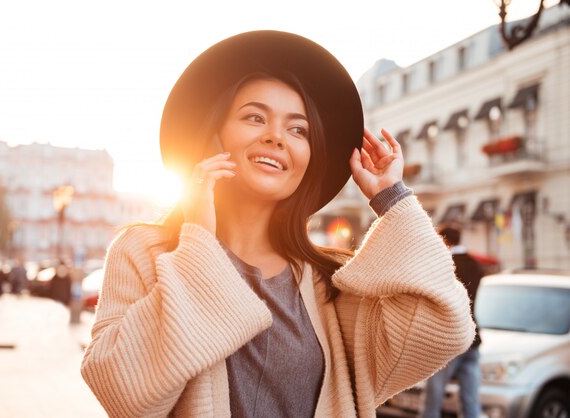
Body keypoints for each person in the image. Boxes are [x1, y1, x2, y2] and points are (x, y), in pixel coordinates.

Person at [81, 30, 475, 418]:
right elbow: (123, 394)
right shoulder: (144, 252)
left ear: (309, 156)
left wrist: (391, 198)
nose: (275, 137)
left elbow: (445, 325)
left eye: (297, 129)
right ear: (216, 137)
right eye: (255, 117)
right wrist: (199, 240)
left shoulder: (329, 283)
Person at [420, 225, 484, 418]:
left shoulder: (444, 264)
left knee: (433, 398)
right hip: (472, 338)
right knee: (470, 401)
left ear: (443, 240)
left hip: (449, 339)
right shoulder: (475, 265)